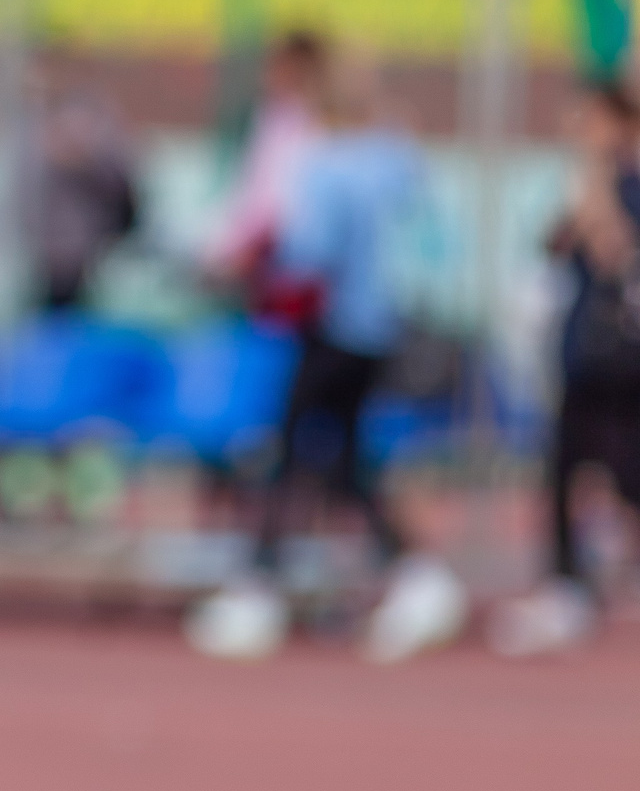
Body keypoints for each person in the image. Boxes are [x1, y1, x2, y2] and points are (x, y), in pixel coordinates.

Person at [186, 54, 464, 663]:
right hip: (381, 330)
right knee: (339, 459)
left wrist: (247, 267)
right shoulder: (396, 160)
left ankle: (262, 582)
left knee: (290, 449)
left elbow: (310, 250)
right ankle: (411, 572)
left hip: (334, 328)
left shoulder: (328, 163)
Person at [490, 78, 640, 656]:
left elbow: (610, 250)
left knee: (622, 468)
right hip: (583, 349)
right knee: (565, 466)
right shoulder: (585, 185)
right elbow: (552, 246)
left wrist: (597, 174)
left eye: (593, 122)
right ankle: (564, 580)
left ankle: (575, 580)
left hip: (620, 354)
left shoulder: (624, 184)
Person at [202, 30, 328, 322]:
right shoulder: (272, 118)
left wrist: (245, 252)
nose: (268, 76)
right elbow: (251, 195)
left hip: (277, 269)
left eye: (279, 67)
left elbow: (279, 205)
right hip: (251, 260)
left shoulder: (311, 128)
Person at [30, 62, 138, 312]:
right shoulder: (36, 119)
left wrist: (84, 158)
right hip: (44, 251)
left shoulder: (97, 118)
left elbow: (121, 184)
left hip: (87, 252)